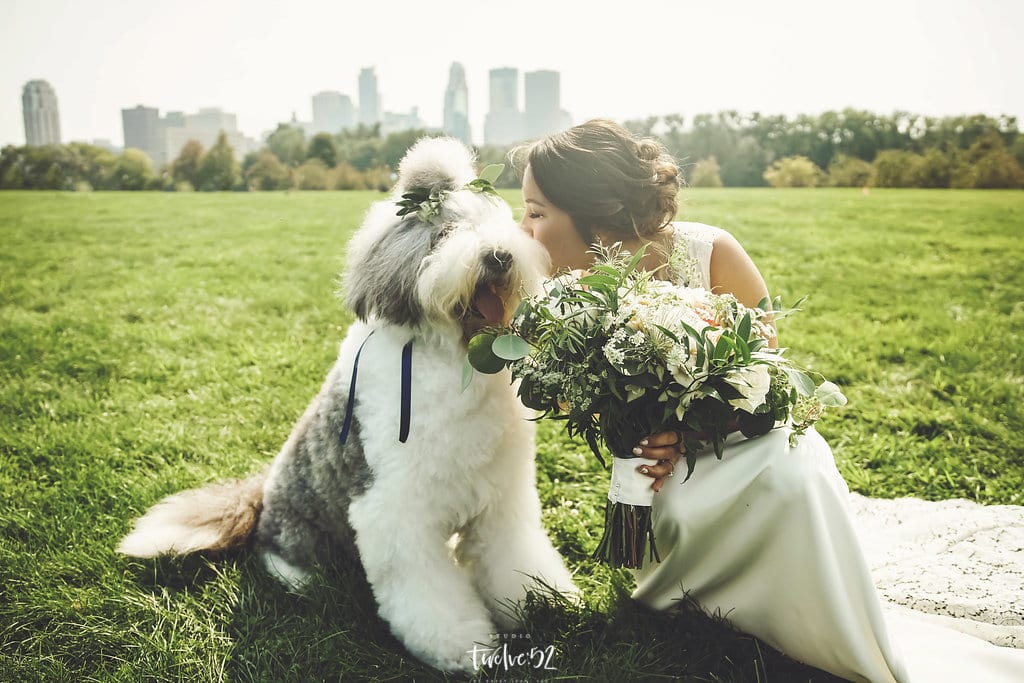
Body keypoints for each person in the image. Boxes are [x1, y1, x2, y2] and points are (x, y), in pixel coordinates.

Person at [516, 119, 1024, 682]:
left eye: (537, 212)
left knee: (789, 484)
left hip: (752, 436)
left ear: (592, 209)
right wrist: (635, 436)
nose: (525, 227)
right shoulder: (559, 292)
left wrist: (688, 430)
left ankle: (810, 607)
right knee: (682, 505)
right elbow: (578, 400)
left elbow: (765, 379)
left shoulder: (707, 251)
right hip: (661, 470)